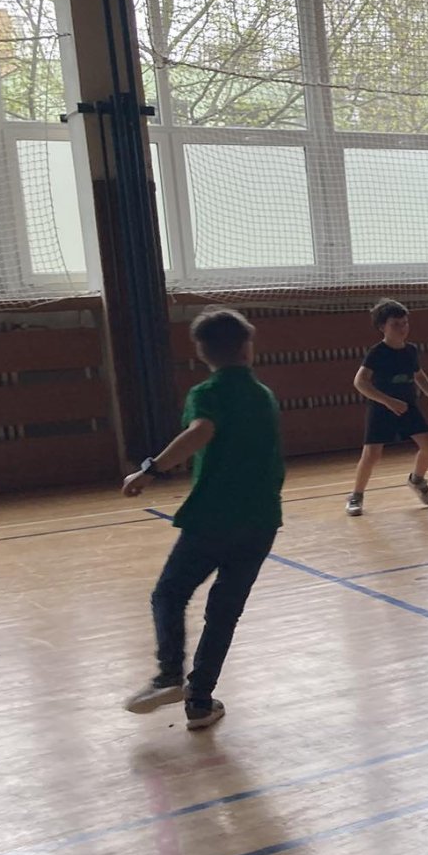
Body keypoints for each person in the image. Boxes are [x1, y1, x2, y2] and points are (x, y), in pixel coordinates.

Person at [122, 308, 283, 730]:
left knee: (169, 594)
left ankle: (169, 675)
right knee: (223, 613)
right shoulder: (263, 394)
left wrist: (150, 470)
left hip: (214, 517)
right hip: (261, 520)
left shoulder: (207, 392)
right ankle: (199, 702)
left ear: (201, 352)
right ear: (248, 349)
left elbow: (200, 431)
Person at [347, 298, 428, 517]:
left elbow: (419, 375)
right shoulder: (377, 353)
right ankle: (356, 495)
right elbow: (360, 382)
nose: (402, 328)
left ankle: (417, 480)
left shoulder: (411, 350)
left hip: (408, 406)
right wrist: (388, 401)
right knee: (372, 455)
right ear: (382, 327)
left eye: (405, 323)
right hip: (382, 408)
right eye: (395, 324)